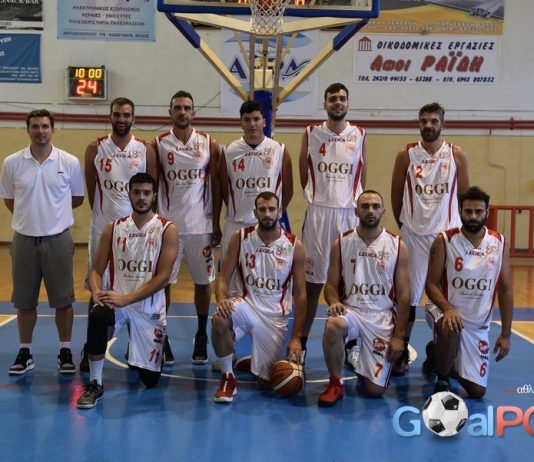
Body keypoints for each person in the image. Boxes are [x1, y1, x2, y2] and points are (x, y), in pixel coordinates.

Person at [76, 173, 179, 409]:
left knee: (150, 381)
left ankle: (143, 344)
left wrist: (127, 299)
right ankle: (95, 383)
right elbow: (95, 271)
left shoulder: (167, 229)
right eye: (137, 192)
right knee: (98, 314)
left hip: (147, 308)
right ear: (129, 194)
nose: (141, 197)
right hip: (118, 304)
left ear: (154, 196)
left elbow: (163, 277)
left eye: (146, 193)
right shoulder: (113, 228)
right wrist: (96, 293)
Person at [0, 109, 84, 375]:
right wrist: (30, 218)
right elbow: (10, 199)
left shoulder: (69, 162)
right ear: (28, 130)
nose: (40, 131)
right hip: (24, 239)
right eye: (35, 126)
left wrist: (52, 216)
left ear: (53, 129)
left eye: (45, 126)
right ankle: (25, 351)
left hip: (58, 238)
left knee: (63, 300)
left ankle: (65, 350)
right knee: (24, 301)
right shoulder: (12, 163)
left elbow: (77, 198)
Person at [390, 102, 469, 375]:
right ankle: (402, 348)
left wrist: (456, 233)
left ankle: (439, 351)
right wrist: (407, 225)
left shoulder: (456, 154)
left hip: (447, 238)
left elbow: (464, 198)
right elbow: (396, 197)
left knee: (447, 298)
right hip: (414, 234)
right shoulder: (406, 154)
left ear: (443, 124)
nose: (428, 125)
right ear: (419, 123)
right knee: (408, 296)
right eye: (424, 121)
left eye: (434, 121)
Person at [81, 97, 158, 371]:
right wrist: (105, 218)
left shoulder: (145, 149)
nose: (121, 119)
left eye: (126, 114)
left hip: (138, 232)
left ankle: (137, 343)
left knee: (137, 285)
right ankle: (92, 345)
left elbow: (151, 189)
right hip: (104, 227)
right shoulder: (95, 148)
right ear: (110, 116)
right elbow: (92, 189)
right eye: (117, 114)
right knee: (97, 288)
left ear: (133, 118)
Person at [211, 192, 306, 403]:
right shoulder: (241, 237)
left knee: (268, 383)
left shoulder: (294, 245)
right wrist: (222, 299)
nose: (267, 214)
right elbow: (223, 277)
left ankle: (255, 360)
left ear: (279, 211)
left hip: (275, 318)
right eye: (262, 209)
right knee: (219, 318)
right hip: (246, 306)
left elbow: (301, 295)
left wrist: (296, 337)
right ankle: (227, 378)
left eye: (272, 209)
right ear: (255, 212)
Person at [318, 190, 410, 406]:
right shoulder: (341, 242)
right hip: (351, 311)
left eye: (375, 206)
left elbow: (405, 295)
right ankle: (335, 383)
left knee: (375, 391)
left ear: (383, 211)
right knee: (333, 325)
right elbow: (330, 286)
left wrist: (399, 336)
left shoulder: (397, 245)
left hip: (381, 316)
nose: (370, 210)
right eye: (365, 206)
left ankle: (363, 365)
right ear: (356, 211)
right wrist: (334, 302)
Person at [299, 82, 367, 365]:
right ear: (325, 103)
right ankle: (300, 343)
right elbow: (303, 174)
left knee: (349, 285)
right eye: (332, 98)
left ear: (348, 103)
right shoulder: (311, 132)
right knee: (312, 285)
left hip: (348, 214)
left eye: (342, 98)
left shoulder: (359, 134)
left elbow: (362, 175)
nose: (337, 102)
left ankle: (351, 345)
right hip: (319, 214)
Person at [153, 90, 221, 365]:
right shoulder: (158, 144)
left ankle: (201, 334)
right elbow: (153, 183)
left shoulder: (208, 142)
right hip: (168, 226)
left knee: (203, 283)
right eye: (177, 107)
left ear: (194, 113)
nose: (182, 112)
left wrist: (216, 221)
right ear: (170, 112)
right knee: (163, 284)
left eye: (187, 108)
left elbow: (216, 185)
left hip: (200, 225)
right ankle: (162, 335)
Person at [424, 186, 513, 397]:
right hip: (444, 310)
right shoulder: (444, 240)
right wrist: (447, 309)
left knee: (477, 392)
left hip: (478, 324)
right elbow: (431, 285)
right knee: (450, 328)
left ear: (487, 212)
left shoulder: (499, 242)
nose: (473, 216)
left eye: (478, 211)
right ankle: (443, 379)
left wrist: (506, 334)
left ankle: (437, 354)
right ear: (460, 211)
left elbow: (506, 289)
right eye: (468, 211)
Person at [218, 99, 293, 262]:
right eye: (247, 119)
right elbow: (223, 190)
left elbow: (288, 190)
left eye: (256, 119)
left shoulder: (278, 150)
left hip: (267, 227)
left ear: (264, 122)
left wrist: (275, 214)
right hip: (237, 223)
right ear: (241, 123)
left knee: (268, 275)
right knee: (231, 275)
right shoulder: (229, 151)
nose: (252, 124)